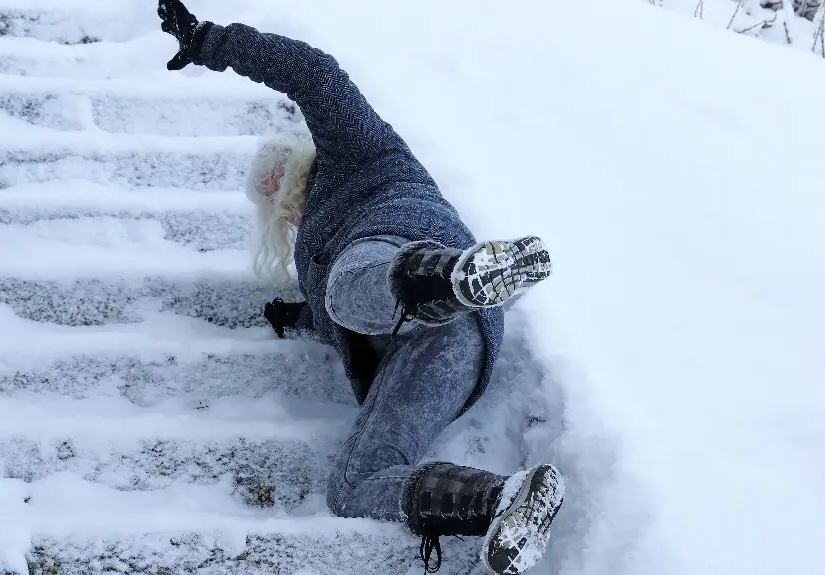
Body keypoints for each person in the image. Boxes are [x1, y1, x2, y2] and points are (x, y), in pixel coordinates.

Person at [157, 2, 564, 573]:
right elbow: (330, 321)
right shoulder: (314, 262)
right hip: (446, 349)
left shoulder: (356, 155)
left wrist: (211, 42)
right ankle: (505, 501)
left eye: (274, 182)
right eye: (270, 201)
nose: (280, 202)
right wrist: (291, 317)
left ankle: (457, 277)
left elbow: (316, 74)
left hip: (400, 241)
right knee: (353, 484)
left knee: (350, 284)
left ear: (297, 160)